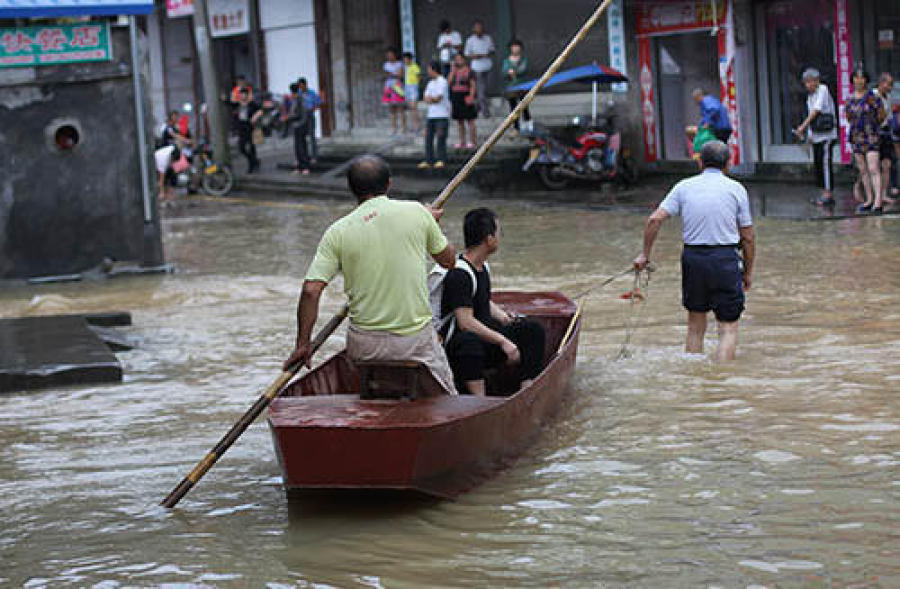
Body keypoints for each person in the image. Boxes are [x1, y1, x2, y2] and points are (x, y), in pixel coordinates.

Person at [283, 155, 458, 395]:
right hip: (413, 341)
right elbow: (449, 261)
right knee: (448, 398)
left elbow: (311, 291)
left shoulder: (337, 231)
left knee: (369, 392)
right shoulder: (416, 213)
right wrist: (430, 224)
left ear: (352, 190)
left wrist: (303, 344)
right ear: (389, 184)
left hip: (364, 345)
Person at [633, 141, 755, 362]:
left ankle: (693, 376)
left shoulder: (683, 187)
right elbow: (747, 237)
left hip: (693, 259)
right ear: (728, 164)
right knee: (728, 328)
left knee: (695, 327)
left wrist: (645, 255)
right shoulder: (736, 189)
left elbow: (654, 220)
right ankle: (722, 382)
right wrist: (747, 272)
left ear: (699, 162)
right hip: (725, 260)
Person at [440, 208, 546, 396]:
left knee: (532, 329)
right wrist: (503, 341)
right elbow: (465, 323)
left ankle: (527, 389)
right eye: (498, 233)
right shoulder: (459, 274)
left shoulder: (482, 266)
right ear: (489, 239)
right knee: (468, 341)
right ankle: (479, 400)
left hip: (485, 338)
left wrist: (505, 318)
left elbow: (483, 301)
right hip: (460, 348)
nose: (499, 238)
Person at [793, 68, 839, 207]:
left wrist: (802, 127)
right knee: (818, 164)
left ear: (817, 81)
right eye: (806, 82)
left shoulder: (823, 90)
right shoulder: (810, 96)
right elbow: (811, 115)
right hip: (817, 135)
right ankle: (823, 192)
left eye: (810, 81)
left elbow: (816, 111)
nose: (808, 85)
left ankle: (828, 194)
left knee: (825, 164)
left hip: (827, 135)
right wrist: (810, 135)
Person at [845, 68, 886, 214]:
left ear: (866, 80)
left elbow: (881, 115)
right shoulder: (850, 99)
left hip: (871, 136)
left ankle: (878, 201)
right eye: (856, 78)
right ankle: (868, 199)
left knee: (874, 168)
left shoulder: (873, 97)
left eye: (861, 78)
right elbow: (849, 117)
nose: (859, 81)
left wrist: (873, 126)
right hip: (856, 137)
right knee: (863, 170)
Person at [418, 61, 451, 170]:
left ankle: (441, 159)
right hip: (431, 115)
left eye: (429, 69)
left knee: (441, 137)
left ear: (433, 69)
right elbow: (426, 98)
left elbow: (438, 98)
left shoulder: (443, 81)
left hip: (442, 114)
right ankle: (429, 160)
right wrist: (432, 99)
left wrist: (431, 99)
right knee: (428, 138)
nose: (428, 72)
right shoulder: (430, 83)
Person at [464, 19, 495, 118]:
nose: (479, 30)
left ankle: (477, 107)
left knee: (485, 89)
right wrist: (476, 56)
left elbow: (492, 50)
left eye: (480, 28)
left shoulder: (488, 38)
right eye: (477, 28)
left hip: (488, 66)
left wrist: (487, 54)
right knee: (480, 90)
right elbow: (467, 54)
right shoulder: (470, 40)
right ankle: (485, 111)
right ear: (474, 29)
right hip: (477, 68)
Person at [448, 53, 477, 148]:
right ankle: (462, 141)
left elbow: (473, 85)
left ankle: (472, 141)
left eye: (460, 59)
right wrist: (453, 70)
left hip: (466, 95)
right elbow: (449, 82)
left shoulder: (469, 71)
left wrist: (471, 96)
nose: (458, 61)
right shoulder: (454, 71)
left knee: (470, 119)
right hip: (456, 96)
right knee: (460, 120)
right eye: (456, 59)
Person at [502, 39, 531, 133]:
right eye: (513, 46)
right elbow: (504, 71)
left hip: (523, 86)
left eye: (517, 46)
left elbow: (523, 69)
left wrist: (513, 71)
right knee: (513, 108)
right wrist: (510, 72)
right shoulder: (506, 60)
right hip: (511, 87)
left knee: (524, 106)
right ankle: (516, 127)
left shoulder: (524, 59)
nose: (515, 48)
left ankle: (528, 125)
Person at [875, 73, 895, 206]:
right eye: (888, 84)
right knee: (874, 166)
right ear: (881, 83)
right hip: (875, 132)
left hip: (886, 132)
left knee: (886, 165)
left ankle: (883, 194)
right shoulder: (873, 95)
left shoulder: (888, 98)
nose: (890, 87)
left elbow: (889, 117)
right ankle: (874, 194)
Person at [232, 87, 262, 173]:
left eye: (244, 94)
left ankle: (252, 166)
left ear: (247, 95)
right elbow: (229, 103)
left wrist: (255, 117)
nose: (243, 96)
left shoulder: (252, 104)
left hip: (250, 127)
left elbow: (260, 110)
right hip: (241, 128)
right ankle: (254, 161)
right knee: (241, 148)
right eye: (241, 94)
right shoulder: (238, 104)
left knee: (252, 147)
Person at [285, 82, 311, 176]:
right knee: (298, 147)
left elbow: (299, 114)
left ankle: (305, 167)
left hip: (300, 125)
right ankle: (300, 166)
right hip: (297, 125)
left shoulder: (299, 99)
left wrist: (289, 117)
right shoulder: (295, 99)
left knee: (301, 147)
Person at [298, 77, 323, 163]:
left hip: (309, 116)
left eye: (302, 86)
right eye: (300, 86)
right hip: (301, 117)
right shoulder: (299, 94)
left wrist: (312, 109)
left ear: (305, 84)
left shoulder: (311, 93)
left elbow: (319, 103)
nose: (301, 88)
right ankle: (304, 155)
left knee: (312, 136)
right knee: (302, 137)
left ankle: (314, 156)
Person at [382, 47, 406, 133]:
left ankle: (403, 127)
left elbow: (399, 75)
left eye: (391, 54)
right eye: (388, 55)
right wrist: (391, 74)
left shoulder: (399, 64)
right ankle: (393, 128)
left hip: (397, 86)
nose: (389, 56)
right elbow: (384, 75)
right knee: (391, 108)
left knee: (400, 107)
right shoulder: (386, 65)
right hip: (388, 86)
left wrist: (391, 74)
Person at [402, 52, 422, 133]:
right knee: (410, 107)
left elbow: (419, 77)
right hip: (407, 87)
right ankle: (413, 125)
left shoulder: (415, 66)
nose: (405, 61)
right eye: (404, 59)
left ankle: (416, 126)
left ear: (410, 59)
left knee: (414, 107)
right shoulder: (405, 67)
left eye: (406, 59)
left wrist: (416, 86)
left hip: (413, 87)